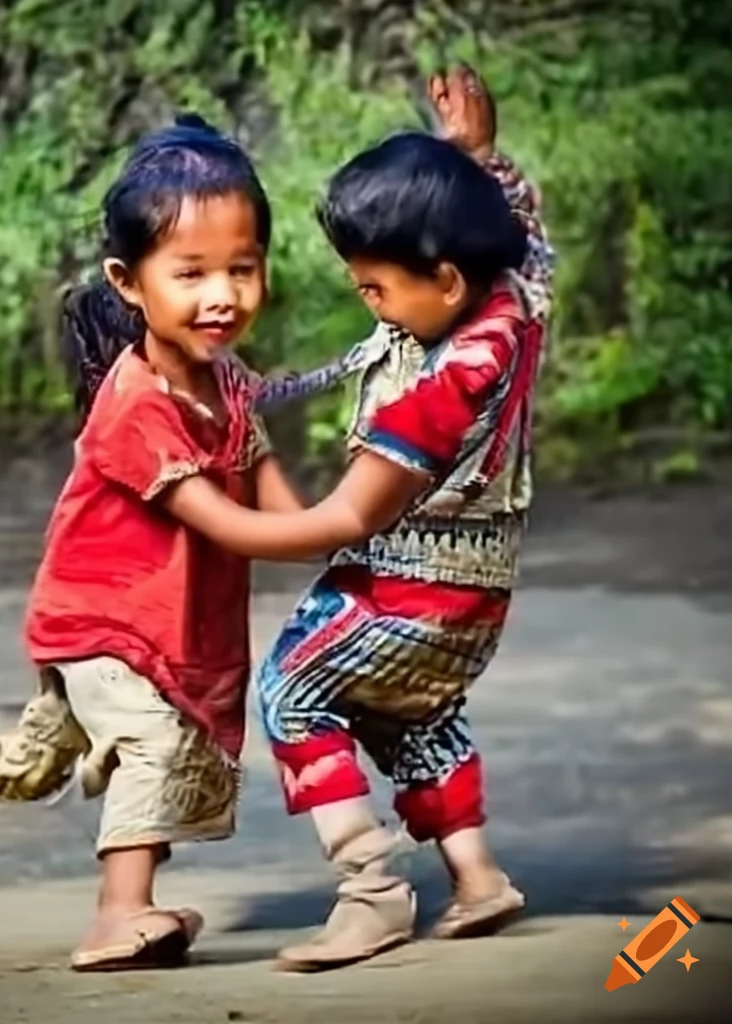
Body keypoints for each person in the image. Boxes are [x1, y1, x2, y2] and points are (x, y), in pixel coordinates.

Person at [0, 114, 364, 973]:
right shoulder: (135, 405)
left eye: (242, 268)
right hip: (107, 621)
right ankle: (118, 914)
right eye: (191, 273)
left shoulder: (230, 384)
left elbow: (281, 502)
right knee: (154, 742)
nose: (222, 294)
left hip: (162, 620)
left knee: (32, 764)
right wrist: (350, 523)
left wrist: (355, 522)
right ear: (127, 283)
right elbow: (235, 526)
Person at [158, 65, 555, 971]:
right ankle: (478, 878)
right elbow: (525, 235)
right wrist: (477, 159)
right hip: (477, 601)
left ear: (443, 278)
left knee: (294, 691)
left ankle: (370, 889)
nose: (365, 302)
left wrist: (208, 512)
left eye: (374, 287)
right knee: (411, 713)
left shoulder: (441, 390)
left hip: (408, 589)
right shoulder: (514, 303)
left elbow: (344, 519)